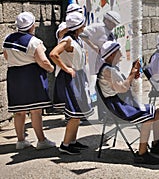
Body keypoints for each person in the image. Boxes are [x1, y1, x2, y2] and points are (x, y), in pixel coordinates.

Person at [97, 41, 159, 165]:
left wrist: (133, 75)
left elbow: (123, 86)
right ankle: (142, 153)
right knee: (148, 116)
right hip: (118, 106)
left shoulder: (111, 69)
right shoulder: (108, 70)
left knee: (158, 112)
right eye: (118, 52)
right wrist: (133, 72)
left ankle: (156, 144)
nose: (121, 55)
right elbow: (123, 88)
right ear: (111, 55)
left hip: (122, 102)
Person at [2, 12, 56, 150]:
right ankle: (41, 140)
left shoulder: (8, 39)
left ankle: (20, 141)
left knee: (19, 111)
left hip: (14, 76)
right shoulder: (34, 41)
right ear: (32, 25)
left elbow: (7, 57)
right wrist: (50, 68)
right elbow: (42, 60)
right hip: (31, 76)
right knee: (36, 110)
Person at [50, 11, 94, 155]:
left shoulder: (77, 38)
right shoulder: (68, 40)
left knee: (78, 112)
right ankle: (65, 144)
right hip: (72, 78)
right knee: (75, 113)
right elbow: (53, 54)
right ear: (78, 25)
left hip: (78, 77)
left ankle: (73, 141)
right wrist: (67, 69)